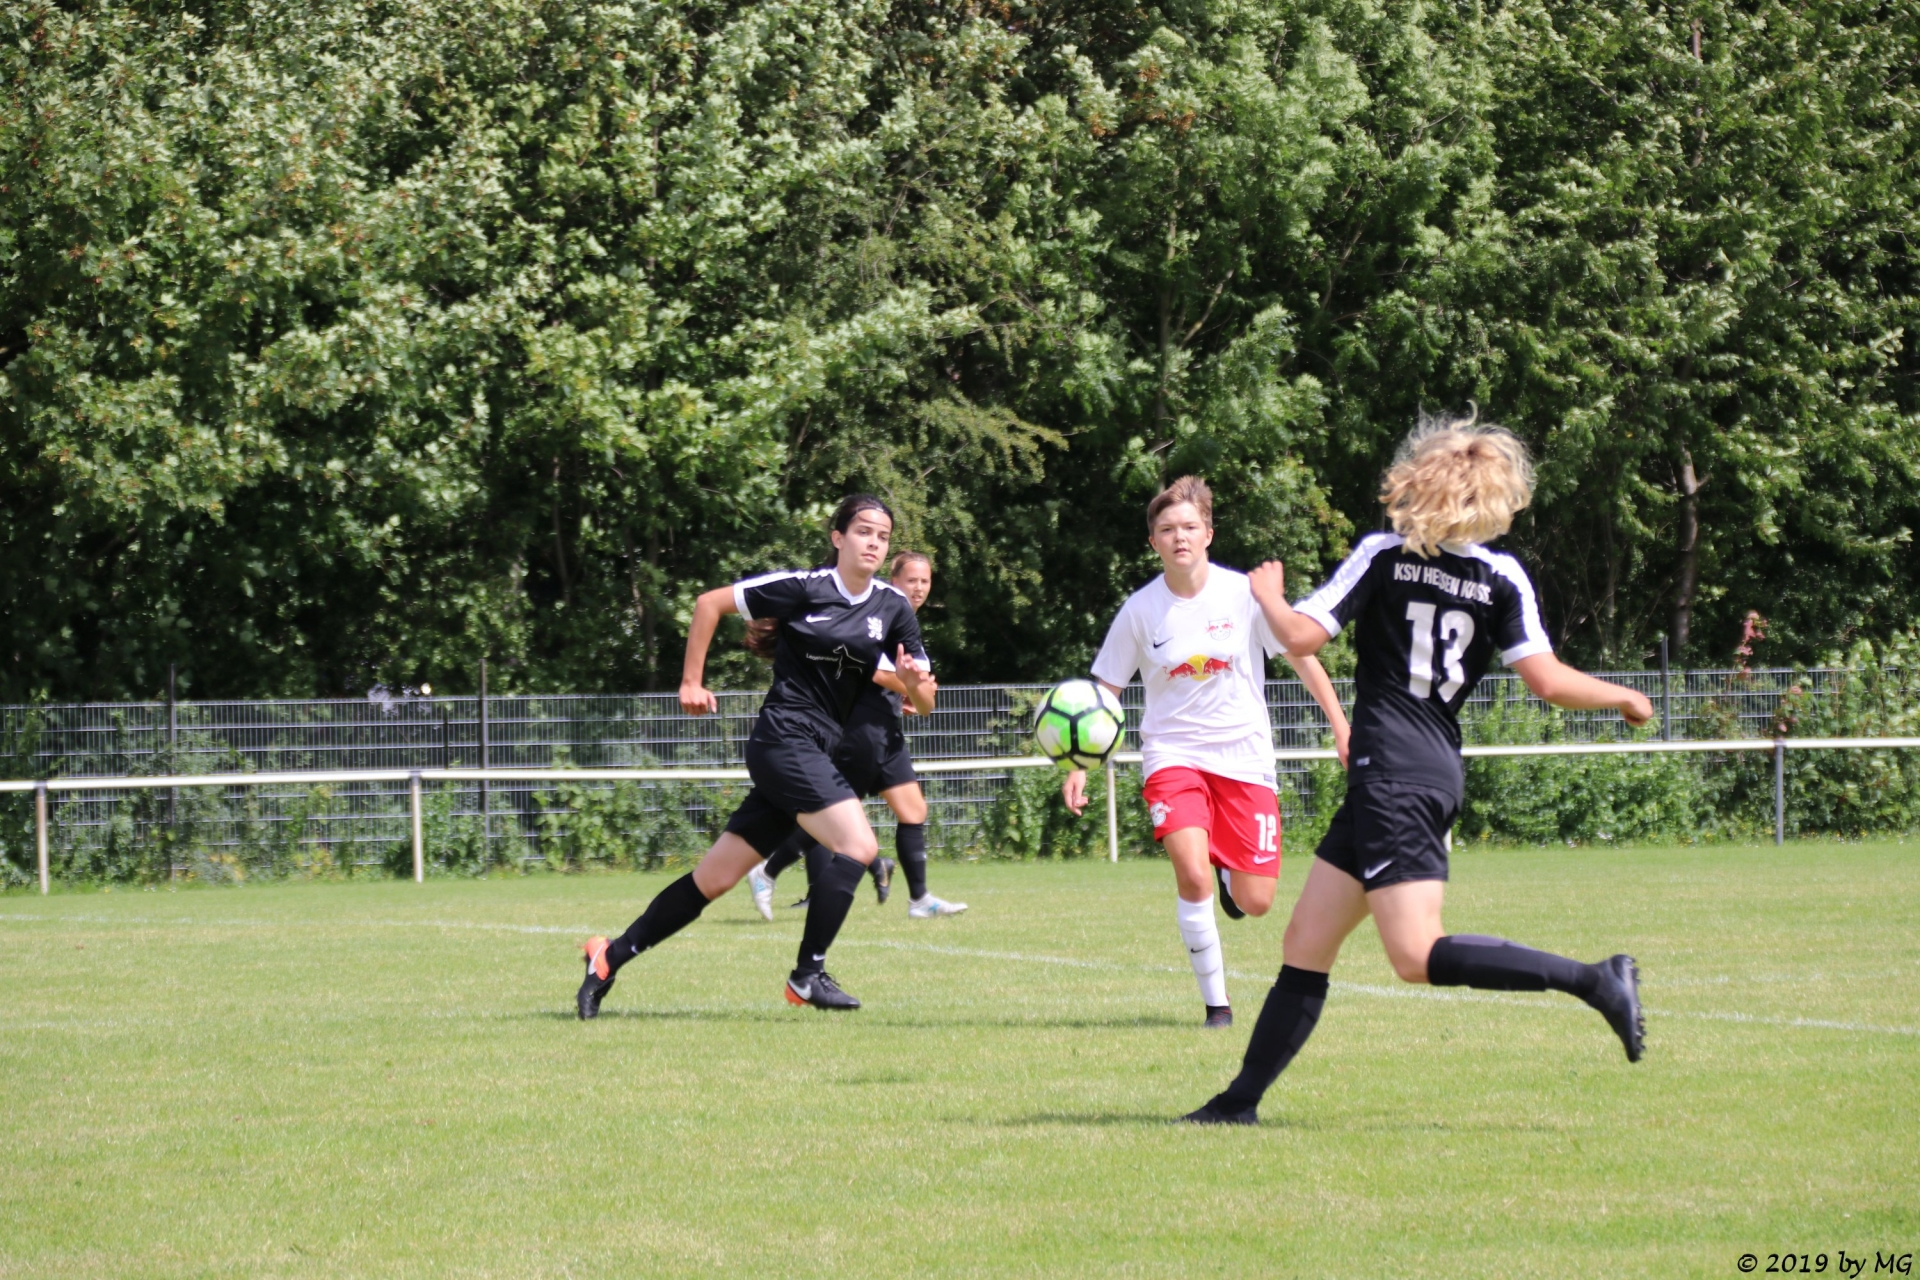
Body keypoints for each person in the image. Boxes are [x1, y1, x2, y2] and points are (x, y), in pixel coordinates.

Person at [1181, 414, 1653, 1125]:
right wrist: (1622, 695)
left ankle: (1595, 980)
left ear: (1417, 482)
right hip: (1420, 772)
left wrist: (1268, 594)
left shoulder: (1384, 555)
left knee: (1414, 953)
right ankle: (1236, 1104)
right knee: (1306, 943)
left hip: (1393, 776)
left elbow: (1302, 635)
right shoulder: (1501, 576)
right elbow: (1548, 681)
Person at [575, 495, 934, 1017]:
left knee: (714, 880)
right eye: (863, 531)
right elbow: (708, 604)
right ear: (838, 537)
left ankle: (607, 958)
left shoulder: (893, 607)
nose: (874, 542)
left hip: (819, 748)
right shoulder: (804, 587)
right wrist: (691, 681)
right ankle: (808, 976)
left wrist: (913, 683)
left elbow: (925, 700)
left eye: (883, 535)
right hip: (782, 738)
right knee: (858, 846)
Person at [1064, 476, 1351, 1028]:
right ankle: (1217, 1007)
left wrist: (1341, 726)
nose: (1180, 537)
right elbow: (1106, 692)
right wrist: (1080, 763)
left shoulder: (1243, 594)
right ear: (1153, 541)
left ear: (1208, 534)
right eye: (1168, 529)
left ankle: (1229, 879)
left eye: (1190, 527)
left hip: (1244, 756)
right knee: (1191, 875)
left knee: (1256, 901)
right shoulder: (1140, 611)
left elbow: (1301, 655)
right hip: (1173, 755)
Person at [746, 551, 969, 921]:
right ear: (893, 581)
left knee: (913, 810)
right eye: (911, 580)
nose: (918, 588)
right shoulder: (875, 613)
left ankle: (919, 899)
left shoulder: (901, 621)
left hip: (886, 730)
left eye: (925, 581)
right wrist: (911, 687)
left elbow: (906, 682)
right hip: (857, 729)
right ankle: (766, 871)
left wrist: (913, 694)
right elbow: (875, 671)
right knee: (836, 817)